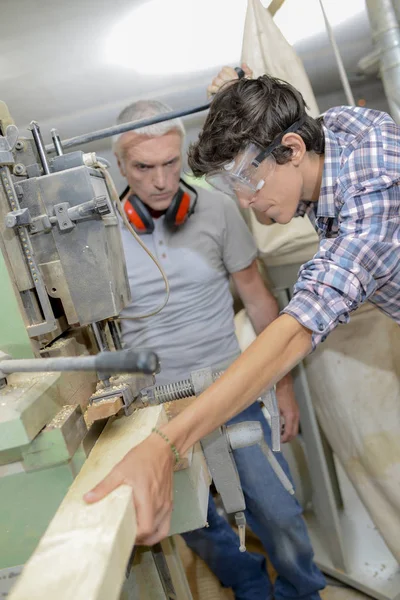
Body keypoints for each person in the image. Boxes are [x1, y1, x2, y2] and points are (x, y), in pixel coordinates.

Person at [85, 64, 400, 560]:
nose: (249, 205)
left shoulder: (371, 207)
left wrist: (167, 444)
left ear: (293, 151)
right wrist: (242, 95)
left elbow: (295, 330)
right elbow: (292, 124)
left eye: (249, 182)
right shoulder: (339, 131)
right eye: (234, 187)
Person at [97, 98, 325, 600]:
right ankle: (248, 586)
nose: (160, 180)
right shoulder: (98, 236)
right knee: (193, 519)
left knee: (278, 509)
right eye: (143, 167)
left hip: (233, 387)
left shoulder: (221, 208)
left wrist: (282, 388)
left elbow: (261, 302)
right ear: (118, 166)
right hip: (154, 409)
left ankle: (300, 592)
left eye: (170, 163)